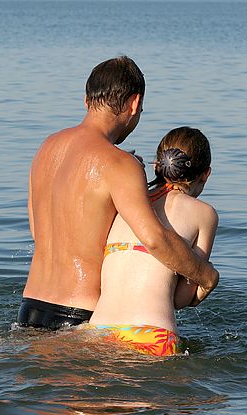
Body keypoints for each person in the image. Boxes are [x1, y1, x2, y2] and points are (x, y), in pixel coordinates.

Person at [17, 56, 218, 330]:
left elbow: (36, 228)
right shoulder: (120, 164)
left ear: (87, 101)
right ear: (134, 104)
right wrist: (205, 276)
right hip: (80, 314)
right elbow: (154, 239)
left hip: (30, 306)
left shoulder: (47, 148)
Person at [84, 127, 218, 357]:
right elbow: (180, 299)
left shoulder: (128, 202)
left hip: (98, 330)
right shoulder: (204, 214)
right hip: (151, 334)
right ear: (206, 174)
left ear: (158, 165)